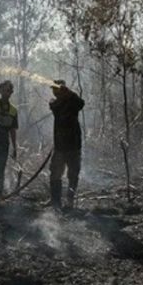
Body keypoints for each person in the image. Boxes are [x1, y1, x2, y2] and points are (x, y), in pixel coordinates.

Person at [48, 79, 84, 210]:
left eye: (57, 88)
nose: (55, 91)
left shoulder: (73, 101)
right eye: (54, 89)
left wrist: (69, 93)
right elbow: (55, 107)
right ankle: (56, 202)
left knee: (73, 174)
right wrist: (65, 95)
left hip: (74, 145)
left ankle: (70, 200)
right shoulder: (54, 103)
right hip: (60, 147)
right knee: (55, 173)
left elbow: (81, 103)